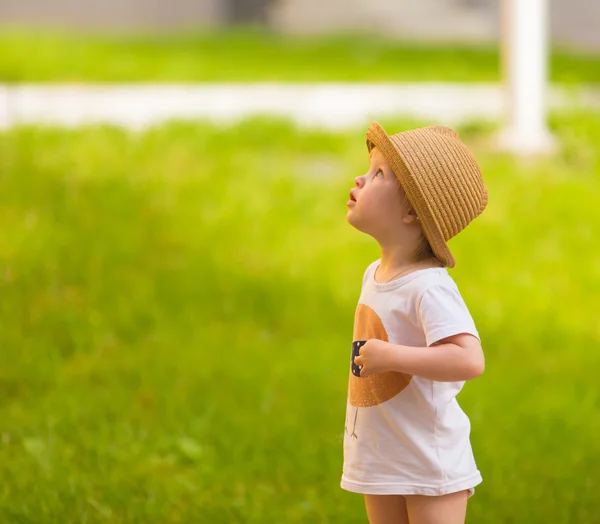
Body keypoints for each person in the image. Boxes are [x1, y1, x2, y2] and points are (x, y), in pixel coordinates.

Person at [342, 122, 488, 524]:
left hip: (428, 460)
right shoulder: (375, 273)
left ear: (411, 212)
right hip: (381, 453)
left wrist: (392, 356)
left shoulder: (428, 287)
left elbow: (469, 360)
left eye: (378, 175)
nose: (360, 178)